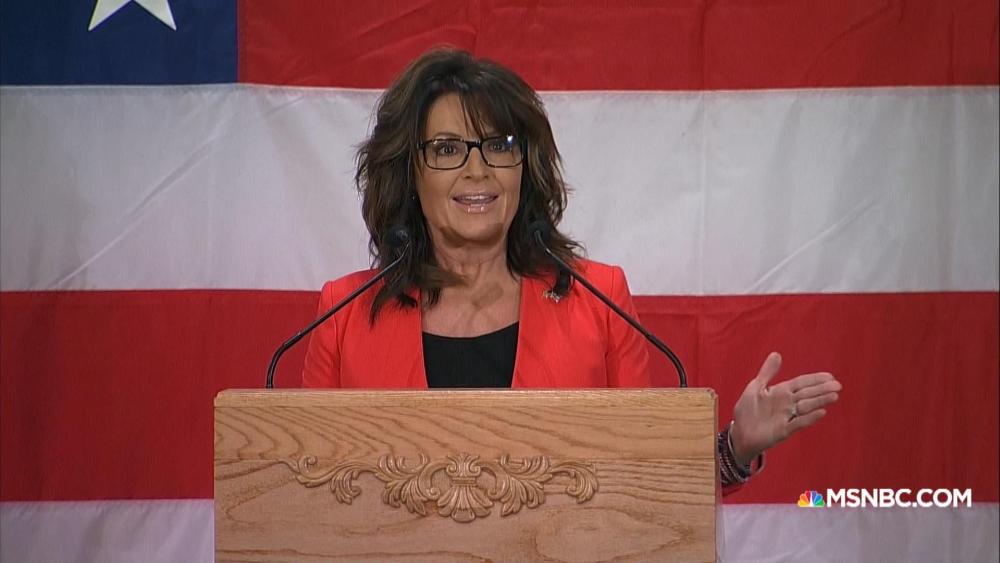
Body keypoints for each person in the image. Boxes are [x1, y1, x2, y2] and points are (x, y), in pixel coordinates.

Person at [302, 48, 842, 490]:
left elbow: (645, 484)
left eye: (499, 145)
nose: (477, 169)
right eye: (447, 149)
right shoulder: (344, 317)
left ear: (525, 167)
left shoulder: (598, 301)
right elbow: (304, 488)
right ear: (409, 173)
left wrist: (735, 448)